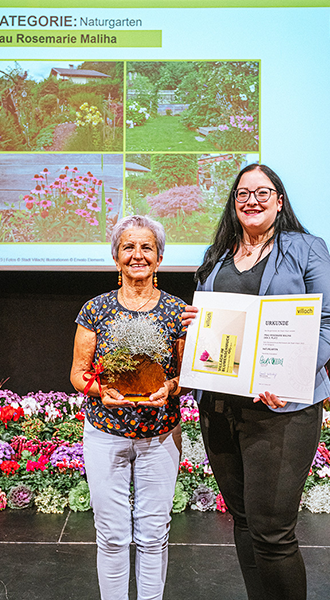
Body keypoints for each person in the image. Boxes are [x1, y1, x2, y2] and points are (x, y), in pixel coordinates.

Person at [183, 164, 330, 600]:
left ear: (279, 200)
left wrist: (290, 376)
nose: (252, 201)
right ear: (234, 202)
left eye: (263, 193)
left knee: (272, 530)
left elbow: (327, 321)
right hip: (220, 406)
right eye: (243, 193)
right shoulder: (219, 255)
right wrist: (196, 323)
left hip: (281, 409)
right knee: (245, 521)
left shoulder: (306, 249)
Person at [68, 215, 187, 600]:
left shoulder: (177, 312)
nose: (138, 255)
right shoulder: (95, 310)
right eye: (129, 247)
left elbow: (187, 376)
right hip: (105, 434)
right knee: (113, 535)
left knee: (154, 535)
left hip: (161, 436)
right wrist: (100, 390)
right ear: (116, 257)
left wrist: (169, 388)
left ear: (160, 257)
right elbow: (78, 374)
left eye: (146, 247)